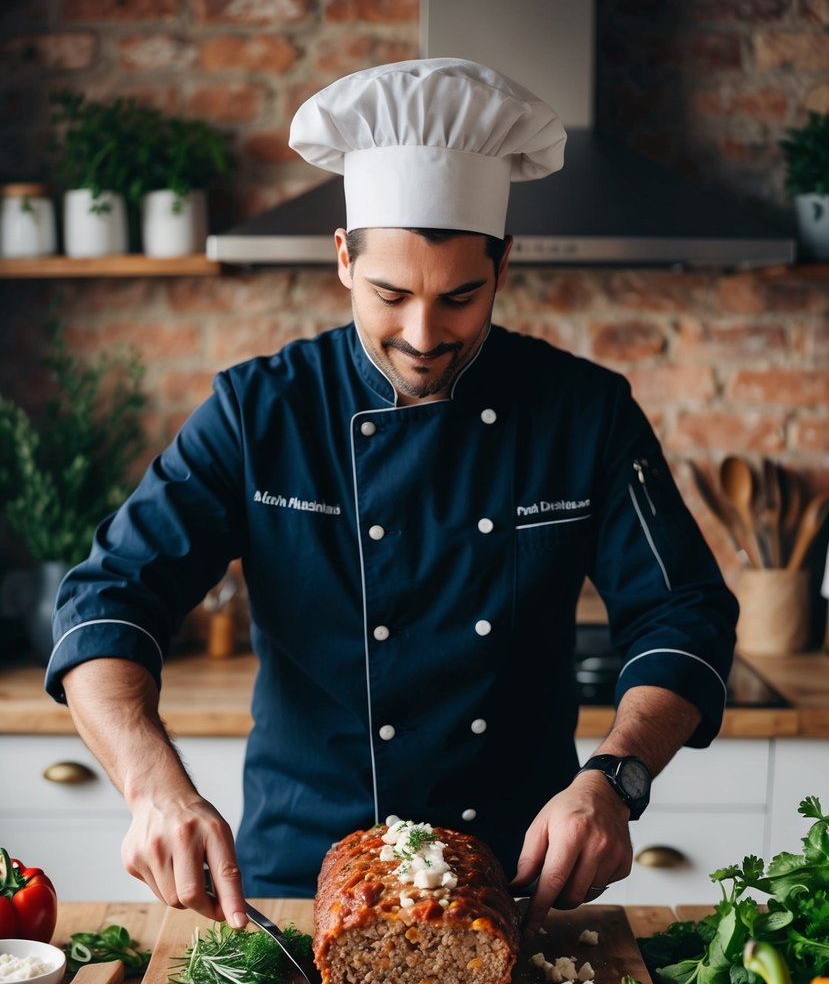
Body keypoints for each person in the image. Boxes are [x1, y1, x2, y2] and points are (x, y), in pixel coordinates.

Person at [45, 59, 737, 935]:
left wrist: (615, 781)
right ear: (342, 258)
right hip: (297, 883)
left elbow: (684, 615)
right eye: (390, 294)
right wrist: (153, 788)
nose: (422, 334)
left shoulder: (582, 412)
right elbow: (108, 598)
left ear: (504, 263)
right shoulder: (260, 412)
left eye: (458, 297)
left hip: (516, 876)